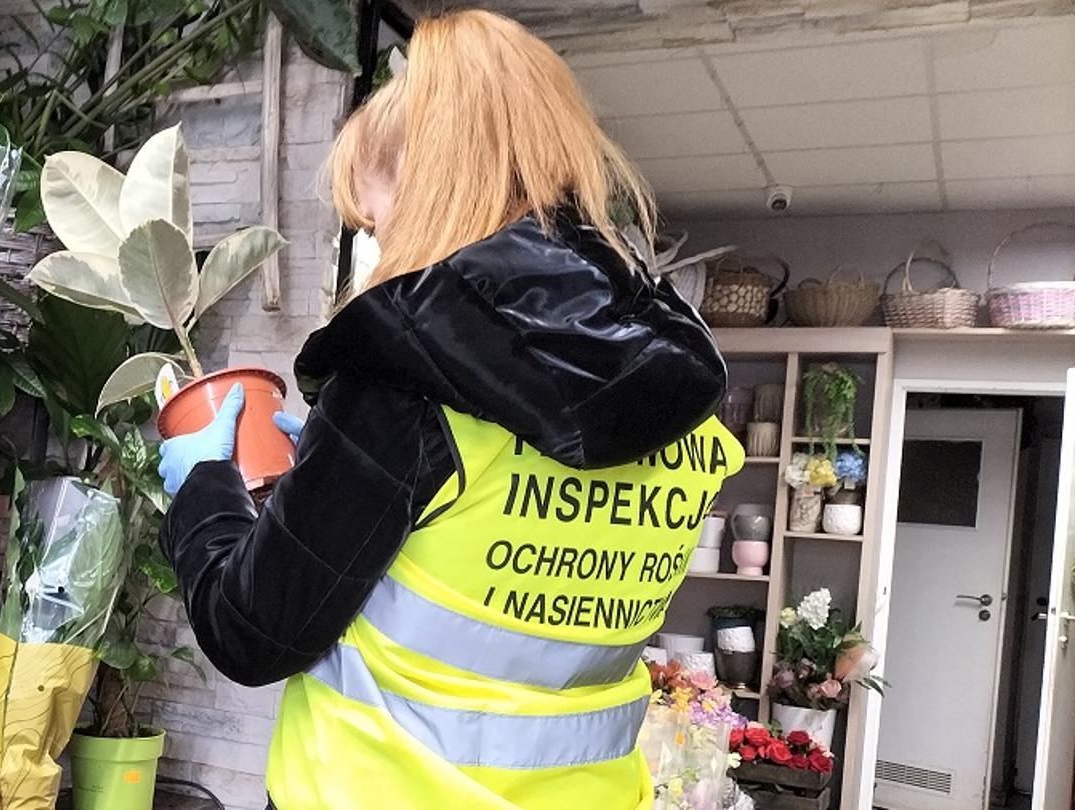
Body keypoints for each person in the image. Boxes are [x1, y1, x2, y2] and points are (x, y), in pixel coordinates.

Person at [155, 9, 745, 810]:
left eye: (376, 213)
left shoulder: (404, 383)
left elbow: (251, 632)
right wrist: (342, 480)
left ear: (433, 184)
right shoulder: (683, 408)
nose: (378, 237)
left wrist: (203, 489)